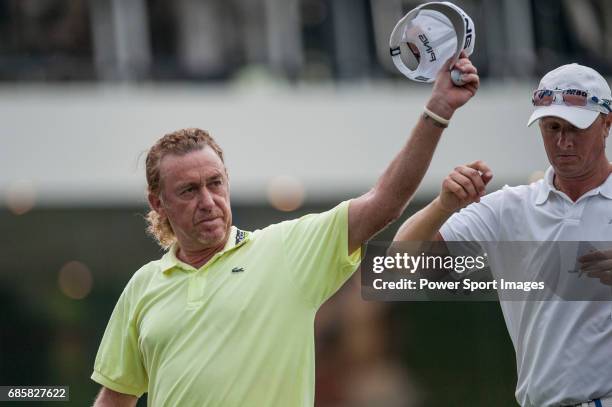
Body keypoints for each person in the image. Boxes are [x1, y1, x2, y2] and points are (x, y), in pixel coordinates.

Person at [90, 56, 479, 406]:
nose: (208, 200)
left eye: (216, 183)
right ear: (158, 203)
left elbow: (385, 201)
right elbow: (115, 398)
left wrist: (438, 110)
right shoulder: (142, 286)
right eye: (189, 190)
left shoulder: (285, 250)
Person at [394, 63, 612, 407]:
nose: (562, 141)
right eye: (552, 126)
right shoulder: (508, 208)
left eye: (575, 127)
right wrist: (443, 205)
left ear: (606, 125)